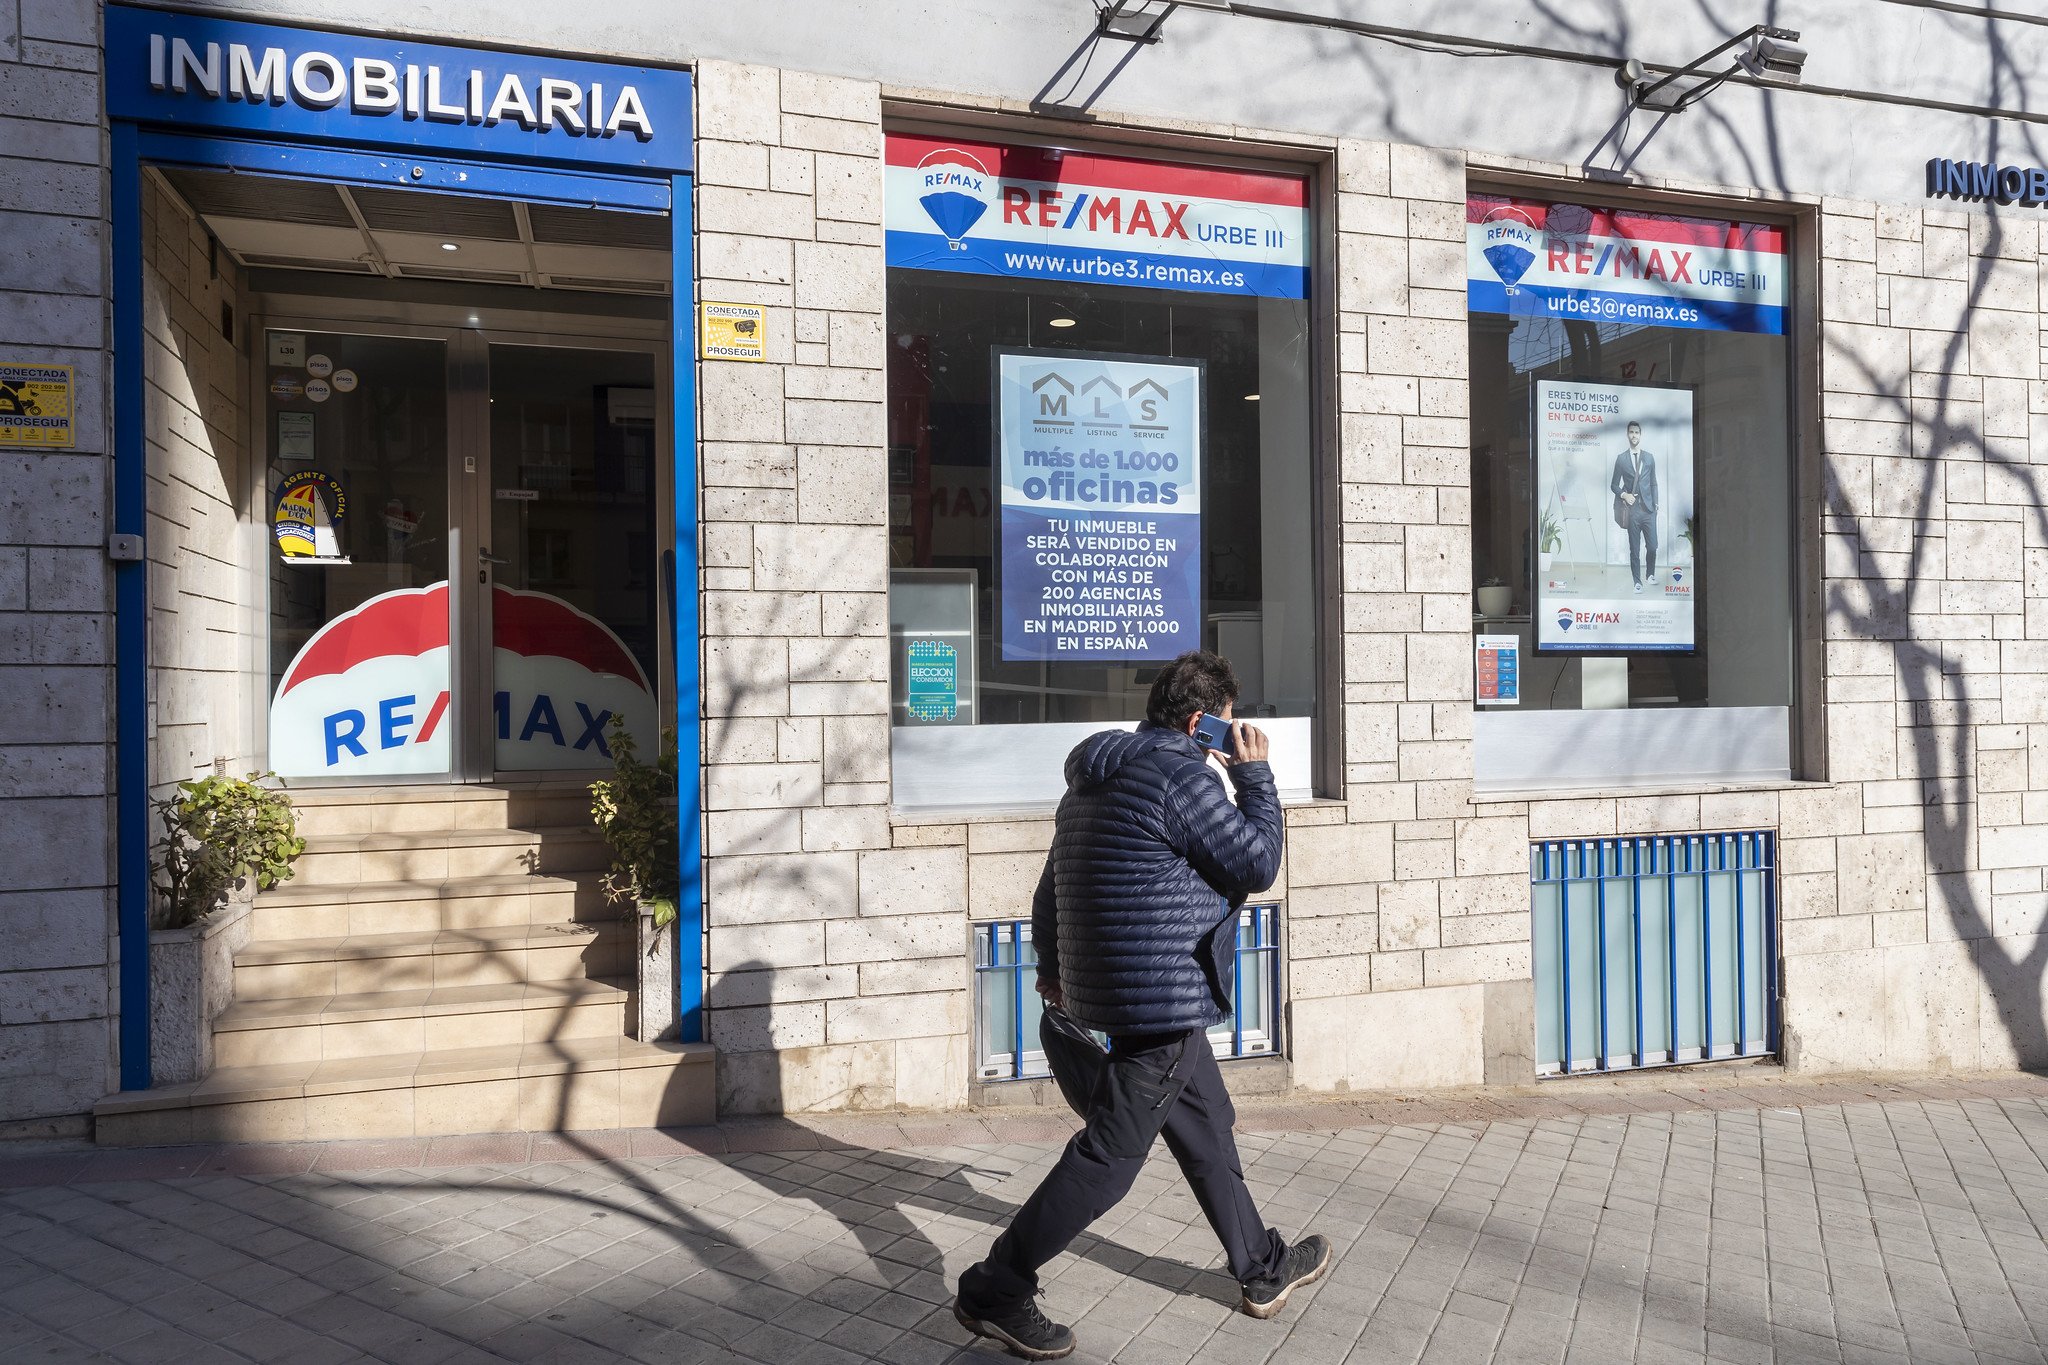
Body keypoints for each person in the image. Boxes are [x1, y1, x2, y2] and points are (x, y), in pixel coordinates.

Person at [953, 650, 1329, 1361]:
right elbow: (1256, 861)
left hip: (1126, 991)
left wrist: (1052, 968)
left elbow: (1050, 885)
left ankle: (1261, 1265)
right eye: (1224, 726)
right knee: (1109, 1156)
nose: (1228, 735)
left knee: (1206, 1119)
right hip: (1162, 999)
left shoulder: (1095, 778)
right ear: (1198, 722)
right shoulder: (1184, 773)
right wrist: (1252, 774)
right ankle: (995, 1287)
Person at [1609, 419, 1660, 594]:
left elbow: (1653, 483)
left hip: (1649, 510)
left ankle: (1650, 574)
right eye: (1631, 432)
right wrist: (1624, 495)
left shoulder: (1649, 457)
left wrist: (1656, 504)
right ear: (1627, 434)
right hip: (1632, 511)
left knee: (1652, 546)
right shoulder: (1621, 459)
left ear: (1640, 435)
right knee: (1634, 548)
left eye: (1636, 432)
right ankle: (1637, 582)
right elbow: (1614, 485)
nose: (1634, 435)